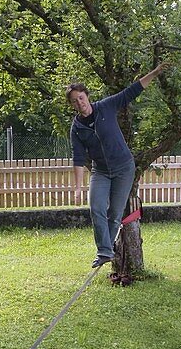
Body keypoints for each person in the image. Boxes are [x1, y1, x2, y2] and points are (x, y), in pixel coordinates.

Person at [67, 67, 166, 268]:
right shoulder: (77, 128)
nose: (80, 102)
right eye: (75, 100)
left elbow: (131, 91)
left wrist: (154, 73)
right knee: (96, 208)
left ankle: (106, 249)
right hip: (100, 171)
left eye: (81, 97)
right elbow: (78, 158)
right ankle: (104, 250)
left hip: (123, 168)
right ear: (72, 105)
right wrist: (77, 187)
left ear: (87, 96)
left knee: (115, 212)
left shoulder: (106, 106)